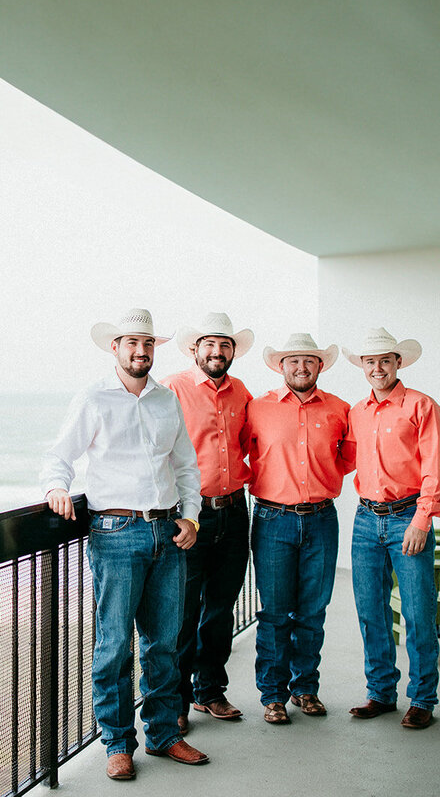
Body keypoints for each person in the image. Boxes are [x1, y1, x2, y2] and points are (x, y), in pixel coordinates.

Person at [40, 308, 210, 781]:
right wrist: (56, 487)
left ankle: (163, 733)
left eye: (148, 343)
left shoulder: (165, 399)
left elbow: (185, 466)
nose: (141, 351)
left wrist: (191, 516)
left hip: (169, 532)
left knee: (164, 644)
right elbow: (59, 455)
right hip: (115, 534)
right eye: (132, 343)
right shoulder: (93, 398)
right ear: (114, 348)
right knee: (114, 645)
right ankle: (117, 743)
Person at [342, 327, 440, 730]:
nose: (377, 368)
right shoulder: (357, 412)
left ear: (397, 362)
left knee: (418, 612)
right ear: (363, 367)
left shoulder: (422, 406)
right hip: (365, 520)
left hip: (408, 516)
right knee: (370, 611)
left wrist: (422, 520)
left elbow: (435, 469)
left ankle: (423, 698)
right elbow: (344, 460)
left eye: (384, 360)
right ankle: (381, 693)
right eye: (369, 362)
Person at [245, 333, 355, 725]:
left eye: (309, 361)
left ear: (320, 366)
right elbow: (238, 450)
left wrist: (318, 481)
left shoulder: (341, 409)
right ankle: (272, 695)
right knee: (275, 613)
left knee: (312, 612)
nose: (301, 368)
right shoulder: (257, 408)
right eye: (293, 361)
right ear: (281, 366)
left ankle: (305, 689)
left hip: (322, 519)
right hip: (273, 520)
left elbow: (347, 459)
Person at [161, 312, 254, 732]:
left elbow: (253, 445)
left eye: (225, 345)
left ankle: (209, 692)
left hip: (235, 513)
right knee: (182, 613)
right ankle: (176, 701)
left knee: (220, 609)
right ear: (194, 349)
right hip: (190, 518)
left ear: (233, 351)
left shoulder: (242, 393)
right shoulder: (172, 390)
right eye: (210, 344)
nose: (218, 352)